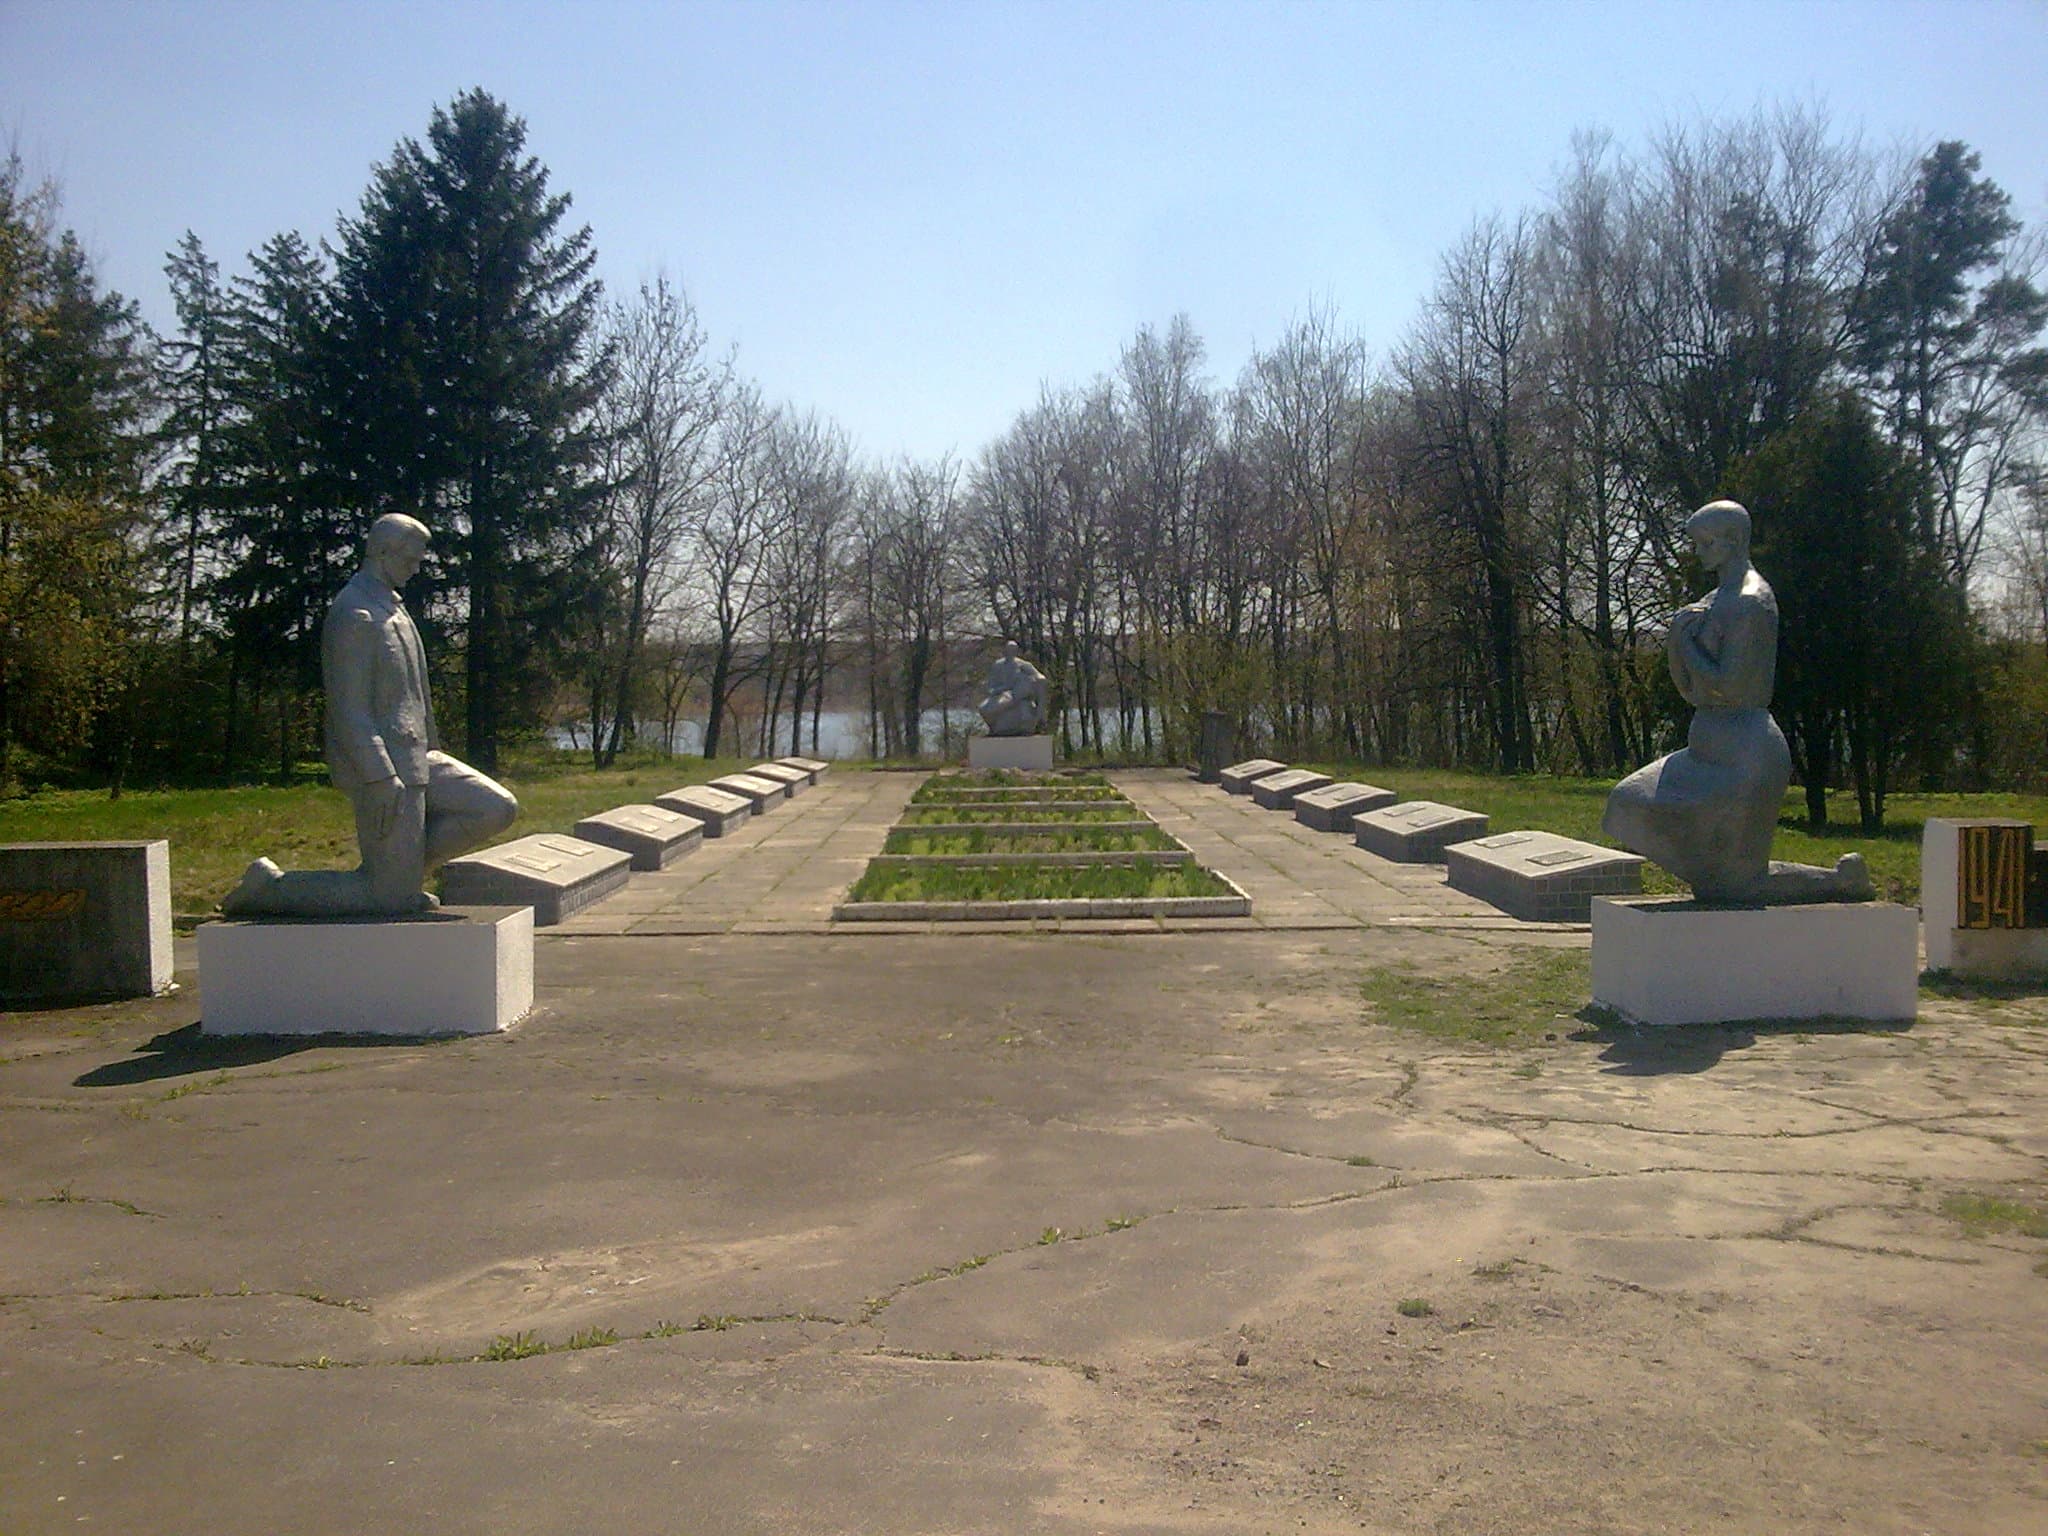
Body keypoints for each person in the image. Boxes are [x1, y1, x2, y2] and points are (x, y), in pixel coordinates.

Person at [223, 514, 518, 917]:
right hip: (386, 768)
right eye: (411, 559)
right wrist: (379, 776)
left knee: (496, 807)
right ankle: (271, 888)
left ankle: (399, 876)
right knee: (386, 901)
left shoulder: (392, 608)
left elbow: (414, 694)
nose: (416, 568)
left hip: (419, 758)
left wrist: (432, 747)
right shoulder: (355, 614)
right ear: (382, 553)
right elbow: (349, 709)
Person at [1603, 499, 1870, 905]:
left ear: (1734, 540)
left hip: (1745, 755)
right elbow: (1692, 691)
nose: (1698, 552)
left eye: (1705, 542)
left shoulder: (1750, 601)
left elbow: (1731, 686)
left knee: (1738, 886)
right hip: (1706, 745)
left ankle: (1841, 882)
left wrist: (1685, 643)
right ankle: (1834, 880)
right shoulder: (1715, 598)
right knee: (1628, 803)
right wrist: (1679, 646)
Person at [978, 640, 1048, 737]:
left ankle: (1017, 724)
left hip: (1015, 694)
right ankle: (996, 728)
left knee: (1006, 704)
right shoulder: (998, 665)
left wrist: (1034, 680)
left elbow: (1040, 678)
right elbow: (990, 685)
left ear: (1016, 651)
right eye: (1009, 649)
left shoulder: (1024, 665)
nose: (1011, 652)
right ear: (1005, 650)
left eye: (1013, 650)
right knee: (983, 708)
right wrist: (994, 690)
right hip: (1000, 694)